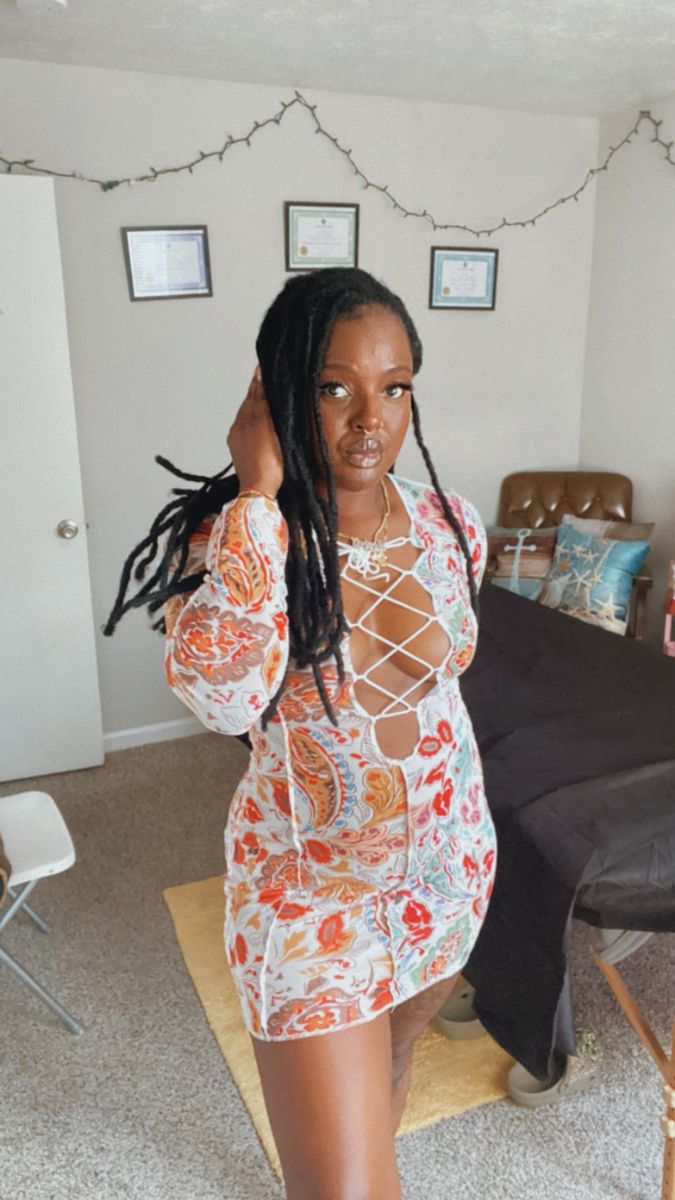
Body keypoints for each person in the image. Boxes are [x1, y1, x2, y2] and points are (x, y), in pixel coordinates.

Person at [105, 267, 497, 1200]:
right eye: (333, 388)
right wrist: (255, 494)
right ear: (279, 391)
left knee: (391, 1068)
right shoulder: (232, 539)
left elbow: (444, 689)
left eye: (393, 388)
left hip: (448, 873)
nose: (369, 421)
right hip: (311, 899)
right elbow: (223, 699)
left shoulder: (450, 523)